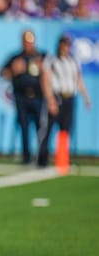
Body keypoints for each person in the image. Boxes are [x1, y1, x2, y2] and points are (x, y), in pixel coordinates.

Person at [40, 34, 92, 167]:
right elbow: (46, 80)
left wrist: (86, 96)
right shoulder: (52, 60)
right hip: (57, 97)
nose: (66, 48)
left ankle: (62, 160)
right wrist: (50, 100)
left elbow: (78, 79)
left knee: (65, 130)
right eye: (64, 45)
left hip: (70, 98)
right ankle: (42, 159)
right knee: (48, 129)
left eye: (68, 45)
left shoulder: (73, 61)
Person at [0, 29, 46, 165]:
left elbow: (51, 72)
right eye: (25, 42)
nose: (28, 45)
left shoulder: (40, 56)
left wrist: (43, 68)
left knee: (41, 128)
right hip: (22, 97)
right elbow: (3, 72)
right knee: (24, 127)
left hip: (37, 96)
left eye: (30, 42)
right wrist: (13, 71)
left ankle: (41, 156)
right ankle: (26, 156)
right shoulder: (16, 58)